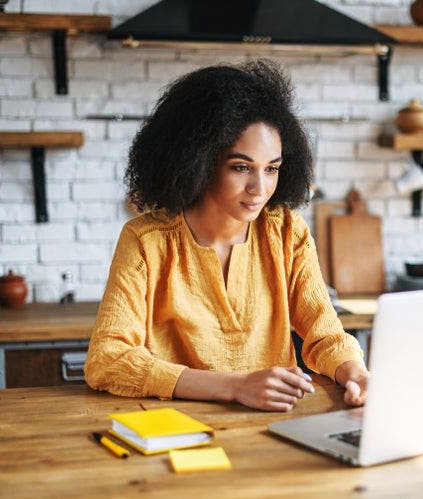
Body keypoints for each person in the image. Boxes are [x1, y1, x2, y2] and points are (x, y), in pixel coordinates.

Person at [84, 60, 369, 411]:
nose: (259, 188)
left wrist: (355, 373)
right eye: (241, 167)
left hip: (276, 427)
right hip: (179, 432)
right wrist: (236, 387)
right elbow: (107, 360)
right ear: (198, 161)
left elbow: (325, 335)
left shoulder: (286, 231)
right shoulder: (147, 240)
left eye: (272, 169)